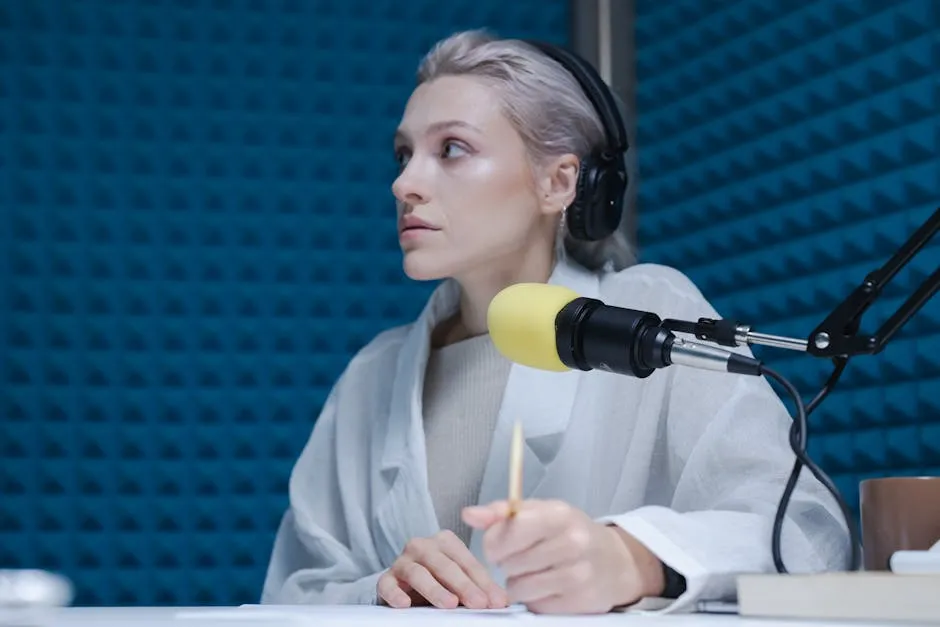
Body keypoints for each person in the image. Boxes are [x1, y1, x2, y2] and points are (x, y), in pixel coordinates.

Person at [260, 29, 850, 614]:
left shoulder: (649, 317)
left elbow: (805, 533)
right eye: (403, 154)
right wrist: (384, 588)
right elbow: (295, 588)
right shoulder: (374, 375)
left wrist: (636, 558)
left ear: (559, 182)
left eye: (451, 149)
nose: (404, 184)